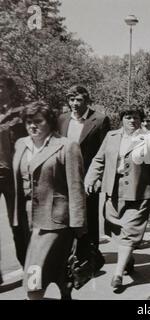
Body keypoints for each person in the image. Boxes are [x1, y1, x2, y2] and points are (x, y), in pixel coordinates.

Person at [84, 106, 150, 290]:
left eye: (136, 117)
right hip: (113, 192)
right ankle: (128, 258)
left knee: (130, 232)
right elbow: (99, 160)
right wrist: (91, 178)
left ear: (141, 119)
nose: (132, 121)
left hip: (139, 193)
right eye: (128, 117)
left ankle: (117, 274)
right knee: (116, 230)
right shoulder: (111, 136)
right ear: (122, 119)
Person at [12, 101, 87, 300]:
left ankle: (35, 296)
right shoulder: (21, 144)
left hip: (55, 221)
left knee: (33, 274)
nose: (32, 126)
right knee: (55, 266)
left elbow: (76, 187)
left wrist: (79, 227)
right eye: (28, 122)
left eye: (38, 121)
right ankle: (65, 290)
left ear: (50, 122)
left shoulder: (66, 146)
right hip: (26, 219)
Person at [58, 85, 110, 270]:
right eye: (71, 99)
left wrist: (97, 178)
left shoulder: (100, 120)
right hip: (65, 177)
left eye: (78, 99)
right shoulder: (62, 120)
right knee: (67, 215)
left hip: (88, 176)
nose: (74, 103)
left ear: (87, 101)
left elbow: (105, 152)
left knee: (89, 217)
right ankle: (72, 256)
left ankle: (91, 258)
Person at [0, 76, 28, 270]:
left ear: (10, 90)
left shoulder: (20, 115)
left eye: (1, 87)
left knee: (18, 223)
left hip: (13, 176)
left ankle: (28, 266)